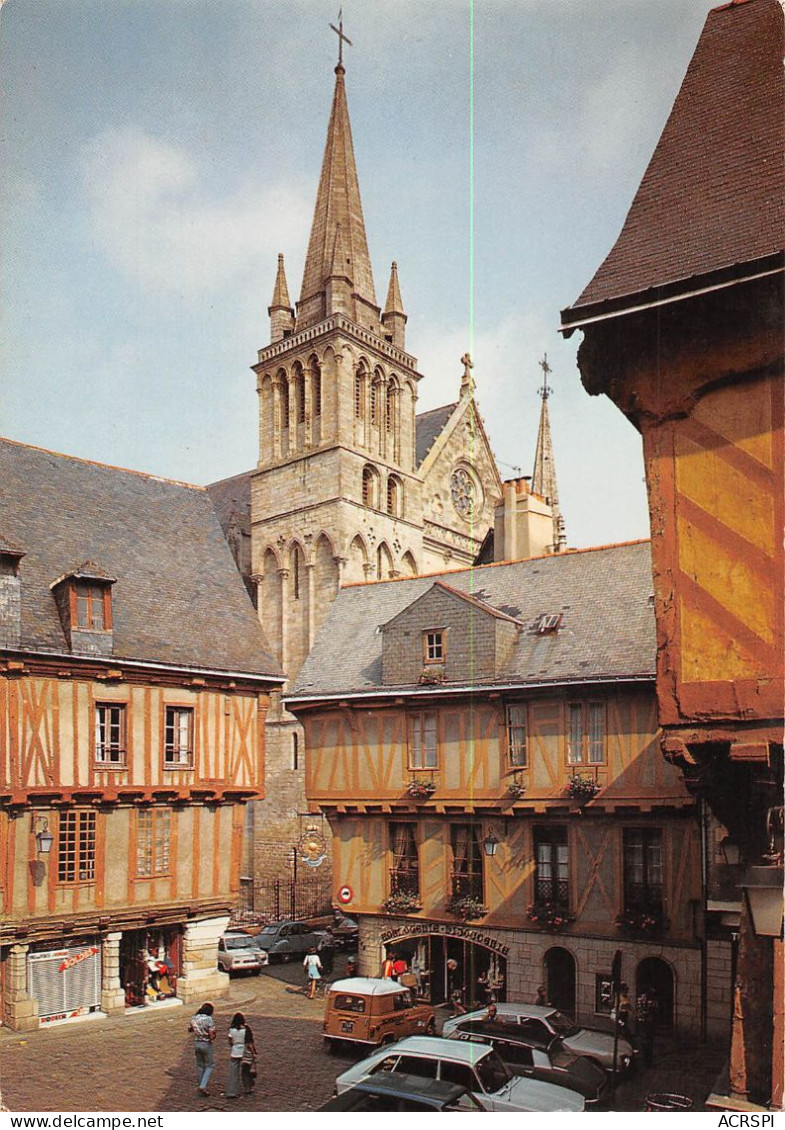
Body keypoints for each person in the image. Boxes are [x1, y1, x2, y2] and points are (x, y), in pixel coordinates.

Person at [188, 1001, 216, 1097]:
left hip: (197, 1042)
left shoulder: (194, 1018)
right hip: (206, 1043)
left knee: (200, 1065)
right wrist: (212, 1038)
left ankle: (200, 1083)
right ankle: (203, 1085)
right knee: (209, 1065)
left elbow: (190, 1029)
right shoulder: (209, 1019)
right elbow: (211, 1033)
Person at [226, 1011, 248, 1099]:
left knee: (233, 1073)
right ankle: (247, 1087)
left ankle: (232, 1091)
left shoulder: (232, 1030)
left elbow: (230, 1042)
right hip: (243, 1051)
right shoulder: (245, 1030)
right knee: (245, 1071)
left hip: (235, 1051)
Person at [635, 988, 658, 1067]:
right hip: (648, 1023)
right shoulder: (650, 1002)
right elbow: (654, 1010)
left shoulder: (639, 1000)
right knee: (649, 1042)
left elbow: (638, 1010)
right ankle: (648, 1061)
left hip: (641, 1022)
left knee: (644, 1041)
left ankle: (645, 1060)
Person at [240, 1021, 258, 1094]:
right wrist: (254, 1053)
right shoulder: (247, 1031)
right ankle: (250, 1085)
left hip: (241, 1053)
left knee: (244, 1071)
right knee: (248, 1070)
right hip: (248, 1055)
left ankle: (247, 1086)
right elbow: (250, 1044)